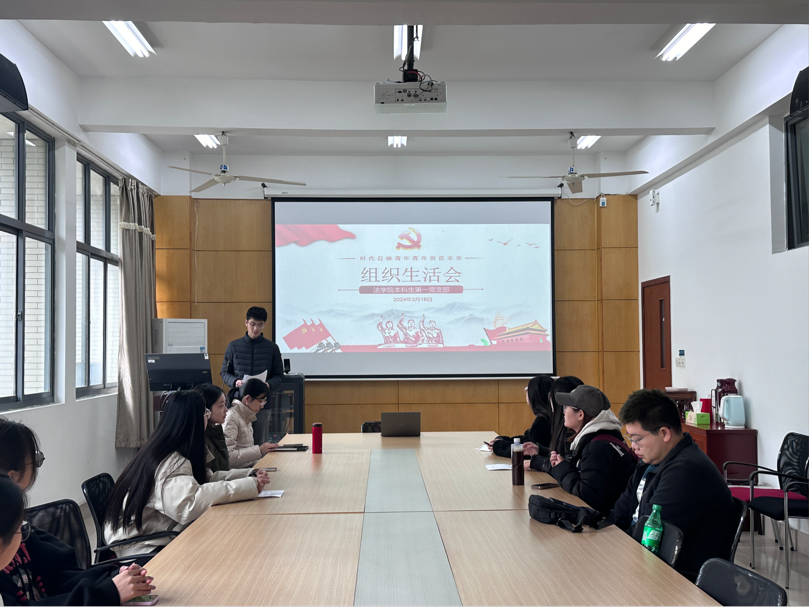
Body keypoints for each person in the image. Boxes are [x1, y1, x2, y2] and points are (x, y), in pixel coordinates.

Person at [0, 419, 156, 606]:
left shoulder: (25, 535)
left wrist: (113, 578)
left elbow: (62, 576)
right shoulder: (13, 536)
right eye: (34, 460)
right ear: (11, 478)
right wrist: (108, 592)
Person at [104, 391, 270, 558]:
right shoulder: (170, 462)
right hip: (140, 547)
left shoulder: (173, 449)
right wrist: (248, 485)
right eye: (205, 414)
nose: (207, 419)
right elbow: (188, 505)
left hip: (157, 534)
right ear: (193, 420)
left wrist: (249, 476)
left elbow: (207, 479)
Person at [614, 388, 736, 581]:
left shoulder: (686, 470)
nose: (632, 446)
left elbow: (652, 536)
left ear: (664, 433)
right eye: (630, 438)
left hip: (681, 579)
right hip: (648, 564)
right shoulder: (649, 463)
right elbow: (620, 512)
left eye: (637, 439)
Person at [547, 385, 637, 513]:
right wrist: (563, 466)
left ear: (580, 414)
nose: (563, 411)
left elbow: (589, 497)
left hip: (611, 522)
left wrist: (562, 470)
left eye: (567, 407)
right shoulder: (605, 437)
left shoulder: (597, 449)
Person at [220, 306, 284, 396]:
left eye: (260, 325)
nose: (255, 328)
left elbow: (279, 375)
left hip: (262, 397)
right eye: (252, 324)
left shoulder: (272, 348)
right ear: (246, 322)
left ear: (264, 325)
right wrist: (235, 381)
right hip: (238, 396)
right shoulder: (233, 346)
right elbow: (224, 373)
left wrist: (269, 384)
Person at [526, 375, 583, 472]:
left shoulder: (585, 439)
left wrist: (539, 463)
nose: (564, 410)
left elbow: (567, 468)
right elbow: (561, 458)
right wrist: (541, 451)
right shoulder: (566, 427)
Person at [490, 375, 554, 458]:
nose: (526, 393)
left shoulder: (543, 422)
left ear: (534, 395)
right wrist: (504, 440)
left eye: (528, 390)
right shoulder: (548, 417)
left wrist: (498, 446)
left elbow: (527, 449)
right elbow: (527, 439)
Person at [223, 379, 278, 468]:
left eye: (264, 402)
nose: (262, 406)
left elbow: (248, 454)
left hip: (247, 469)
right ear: (247, 399)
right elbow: (228, 457)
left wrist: (261, 466)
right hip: (237, 473)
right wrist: (259, 451)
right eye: (260, 401)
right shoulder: (231, 417)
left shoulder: (246, 413)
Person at [193, 383, 230, 472]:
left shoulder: (215, 432)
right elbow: (213, 476)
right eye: (221, 405)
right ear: (205, 409)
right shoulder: (198, 439)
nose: (226, 410)